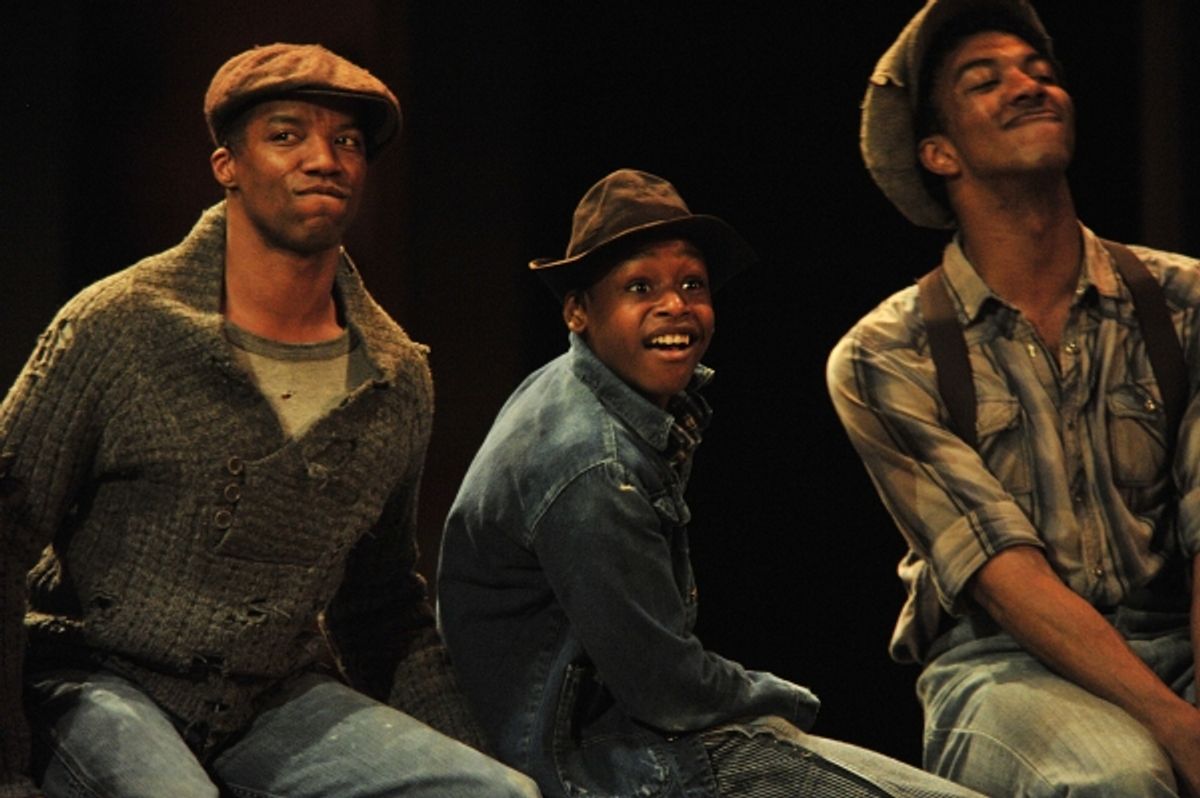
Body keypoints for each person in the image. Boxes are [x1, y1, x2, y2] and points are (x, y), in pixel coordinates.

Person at [0, 42, 538, 797]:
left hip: (268, 695)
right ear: (228, 165)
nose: (324, 158)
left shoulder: (394, 376)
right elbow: (5, 529)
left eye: (346, 141)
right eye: (287, 135)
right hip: (98, 675)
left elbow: (381, 603)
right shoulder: (121, 326)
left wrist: (482, 757)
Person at [436, 167, 985, 797]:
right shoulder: (593, 462)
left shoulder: (582, 390)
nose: (676, 305)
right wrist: (781, 700)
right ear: (578, 312)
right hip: (597, 760)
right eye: (640, 286)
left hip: (622, 729)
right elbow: (666, 688)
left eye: (692, 283)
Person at [827, 1, 1200, 795]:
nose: (1029, 86)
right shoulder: (884, 355)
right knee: (1117, 780)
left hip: (1177, 642)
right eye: (984, 81)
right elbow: (1005, 577)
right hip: (1004, 668)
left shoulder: (1186, 303)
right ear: (938, 152)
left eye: (1040, 71)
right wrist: (1178, 729)